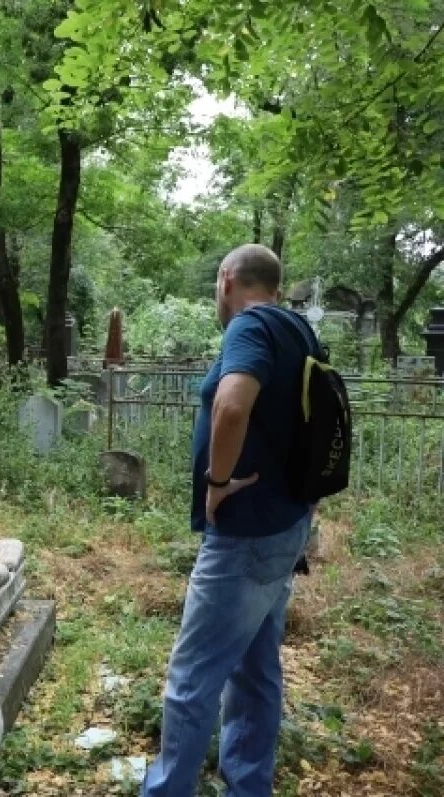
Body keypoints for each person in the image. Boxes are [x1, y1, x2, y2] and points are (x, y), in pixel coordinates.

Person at [141, 244, 315, 797]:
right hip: (285, 525)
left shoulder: (249, 326)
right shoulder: (299, 330)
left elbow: (233, 405)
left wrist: (217, 482)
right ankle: (247, 786)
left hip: (243, 534)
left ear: (226, 280)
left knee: (191, 680)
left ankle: (167, 790)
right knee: (257, 671)